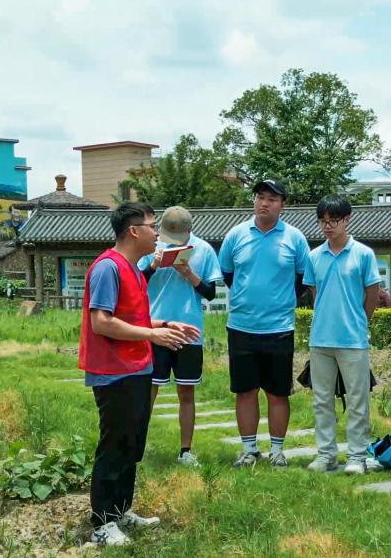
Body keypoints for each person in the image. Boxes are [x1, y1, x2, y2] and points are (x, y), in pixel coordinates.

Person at [79, 202, 199, 546]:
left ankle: (121, 510)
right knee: (114, 445)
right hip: (113, 372)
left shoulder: (132, 268)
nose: (157, 233)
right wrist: (152, 334)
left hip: (136, 368)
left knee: (132, 444)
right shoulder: (108, 268)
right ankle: (102, 523)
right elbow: (101, 322)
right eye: (152, 226)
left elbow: (132, 317)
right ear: (134, 231)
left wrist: (163, 324)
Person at [219, 179, 310, 468]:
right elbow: (228, 275)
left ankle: (277, 451)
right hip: (241, 326)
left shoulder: (295, 238)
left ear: (283, 204)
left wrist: (280, 300)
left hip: (279, 328)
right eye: (260, 197)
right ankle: (249, 449)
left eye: (272, 199)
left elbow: (302, 279)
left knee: (278, 392)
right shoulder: (236, 235)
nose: (264, 203)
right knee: (245, 391)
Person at [303, 195, 381, 476]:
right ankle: (326, 453)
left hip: (353, 339)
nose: (328, 226)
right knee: (322, 400)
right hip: (321, 339)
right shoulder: (314, 256)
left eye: (333, 220)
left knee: (358, 400)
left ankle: (357, 455)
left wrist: (360, 322)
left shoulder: (363, 254)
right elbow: (315, 293)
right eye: (323, 221)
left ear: (347, 220)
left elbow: (372, 294)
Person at [139, 206, 222, 467]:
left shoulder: (204, 250)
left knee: (186, 391)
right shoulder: (151, 247)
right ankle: (137, 448)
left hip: (189, 330)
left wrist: (188, 273)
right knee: (149, 389)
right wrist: (153, 265)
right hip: (155, 329)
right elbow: (137, 283)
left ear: (190, 231)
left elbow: (210, 293)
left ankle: (186, 450)